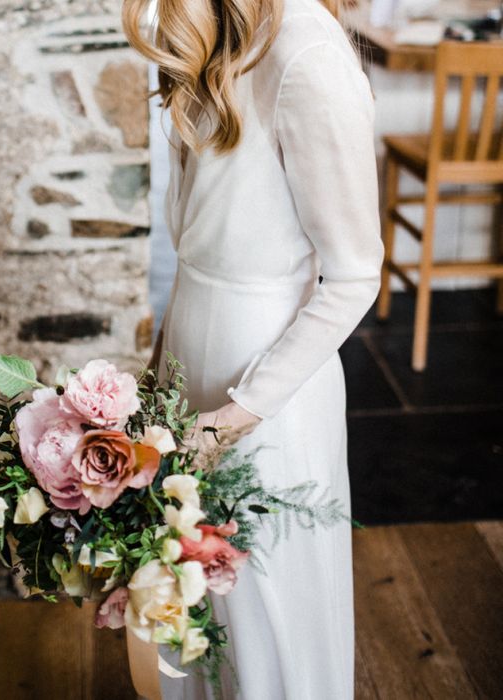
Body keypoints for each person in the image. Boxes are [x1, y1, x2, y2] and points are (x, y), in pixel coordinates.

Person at [122, 0, 384, 697]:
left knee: (266, 611)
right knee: (197, 603)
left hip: (270, 390)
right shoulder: (212, 32)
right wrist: (153, 387)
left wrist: (233, 417)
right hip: (189, 356)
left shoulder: (309, 55)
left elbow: (354, 276)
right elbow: (195, 249)